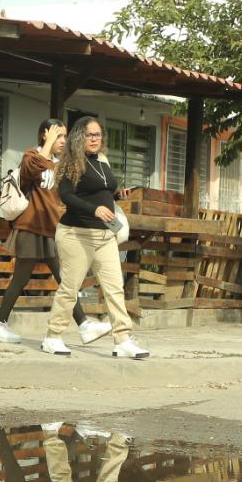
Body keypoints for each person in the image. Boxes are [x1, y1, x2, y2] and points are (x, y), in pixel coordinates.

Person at [0, 120, 110, 345]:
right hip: (30, 227)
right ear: (45, 135)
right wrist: (47, 145)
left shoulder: (63, 164)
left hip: (53, 230)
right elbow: (31, 170)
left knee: (65, 279)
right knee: (20, 279)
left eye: (65, 136)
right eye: (58, 135)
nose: (63, 141)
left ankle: (83, 325)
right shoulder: (31, 156)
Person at [41, 116, 150, 359]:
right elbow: (67, 196)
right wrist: (94, 209)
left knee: (114, 288)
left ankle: (122, 340)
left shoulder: (102, 161)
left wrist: (117, 195)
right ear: (79, 137)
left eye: (98, 135)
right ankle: (53, 336)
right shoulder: (71, 162)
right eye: (89, 135)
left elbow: (102, 191)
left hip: (104, 235)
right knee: (70, 288)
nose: (94, 139)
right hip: (76, 234)